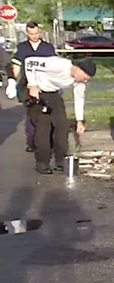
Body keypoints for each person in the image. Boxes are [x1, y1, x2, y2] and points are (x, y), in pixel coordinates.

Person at [24, 56, 96, 174]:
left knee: (62, 126)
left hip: (54, 95)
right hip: (39, 94)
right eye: (85, 77)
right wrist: (32, 84)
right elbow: (29, 62)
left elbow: (79, 99)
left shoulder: (79, 82)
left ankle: (61, 160)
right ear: (78, 69)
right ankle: (42, 163)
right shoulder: (57, 65)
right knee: (43, 128)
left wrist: (79, 120)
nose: (85, 81)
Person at [10, 22, 57, 152]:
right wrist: (12, 80)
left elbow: (53, 66)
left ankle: (49, 140)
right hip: (28, 85)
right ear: (27, 33)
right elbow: (16, 65)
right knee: (32, 115)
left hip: (45, 84)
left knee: (48, 113)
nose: (34, 36)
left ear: (39, 32)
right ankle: (32, 142)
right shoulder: (22, 47)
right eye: (31, 34)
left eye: (36, 33)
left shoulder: (48, 48)